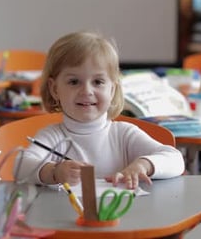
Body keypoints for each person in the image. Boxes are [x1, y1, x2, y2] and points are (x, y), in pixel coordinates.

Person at [15, 31, 184, 189]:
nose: (87, 91)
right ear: (55, 89)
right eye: (74, 82)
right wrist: (54, 171)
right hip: (64, 218)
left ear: (112, 89)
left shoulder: (123, 134)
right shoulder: (52, 136)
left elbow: (175, 159)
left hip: (121, 218)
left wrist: (144, 165)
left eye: (98, 82)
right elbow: (19, 165)